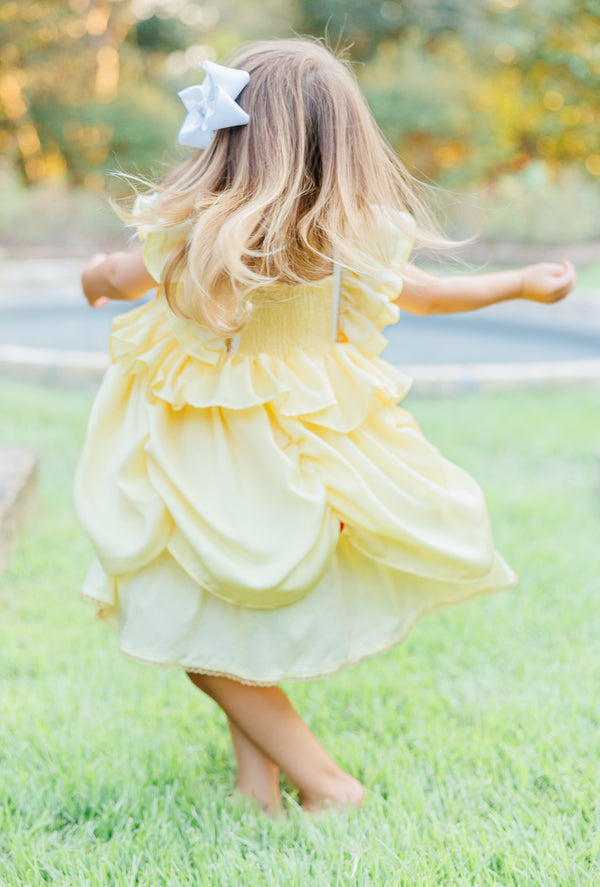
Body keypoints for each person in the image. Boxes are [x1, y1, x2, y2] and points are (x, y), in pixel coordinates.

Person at [76, 38, 576, 816]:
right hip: (306, 445)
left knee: (196, 630)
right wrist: (520, 283)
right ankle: (257, 786)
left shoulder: (197, 228)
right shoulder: (351, 237)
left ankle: (329, 783)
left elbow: (120, 274)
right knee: (227, 618)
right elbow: (427, 296)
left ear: (233, 137)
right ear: (340, 142)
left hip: (218, 455)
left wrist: (91, 281)